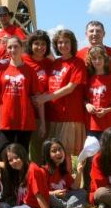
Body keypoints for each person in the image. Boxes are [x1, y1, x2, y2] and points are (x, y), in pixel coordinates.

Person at [33, 29, 87, 161]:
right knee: (54, 153)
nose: (63, 45)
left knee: (64, 152)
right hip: (54, 115)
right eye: (60, 42)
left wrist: (46, 98)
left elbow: (70, 88)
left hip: (69, 115)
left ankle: (67, 180)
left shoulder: (77, 63)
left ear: (72, 44)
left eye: (66, 42)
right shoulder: (55, 63)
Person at [0, 37, 44, 156]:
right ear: (6, 50)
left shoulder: (30, 71)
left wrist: (42, 122)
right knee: (4, 156)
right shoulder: (1, 70)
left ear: (22, 48)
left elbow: (38, 98)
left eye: (16, 46)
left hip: (25, 121)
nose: (13, 49)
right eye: (10, 47)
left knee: (22, 158)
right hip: (6, 121)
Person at [77, 21, 111, 125]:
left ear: (104, 34)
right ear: (86, 34)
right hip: (85, 116)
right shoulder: (79, 55)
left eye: (98, 31)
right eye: (91, 31)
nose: (94, 33)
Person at [0, 143, 55, 208]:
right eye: (10, 160)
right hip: (24, 203)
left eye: (17, 157)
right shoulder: (20, 169)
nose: (14, 161)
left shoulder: (32, 170)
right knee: (2, 203)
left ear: (23, 155)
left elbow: (39, 195)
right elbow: (2, 165)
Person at [22, 30, 53, 163]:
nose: (40, 47)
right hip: (24, 111)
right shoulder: (23, 60)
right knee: (22, 149)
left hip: (44, 112)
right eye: (36, 43)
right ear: (30, 44)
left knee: (40, 149)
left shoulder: (50, 63)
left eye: (43, 44)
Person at [85, 46, 111, 139]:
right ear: (90, 61)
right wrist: (87, 105)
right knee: (92, 152)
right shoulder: (88, 79)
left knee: (107, 151)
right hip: (91, 125)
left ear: (105, 59)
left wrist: (106, 110)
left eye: (99, 58)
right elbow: (82, 98)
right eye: (94, 58)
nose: (97, 61)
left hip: (108, 124)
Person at [41, 138, 87, 208]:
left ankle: (64, 207)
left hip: (65, 197)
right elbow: (40, 193)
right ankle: (69, 206)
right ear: (48, 155)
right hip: (54, 199)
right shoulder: (43, 171)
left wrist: (79, 171)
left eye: (60, 149)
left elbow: (75, 187)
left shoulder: (62, 169)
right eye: (54, 151)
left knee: (82, 192)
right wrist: (55, 193)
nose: (58, 153)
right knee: (49, 197)